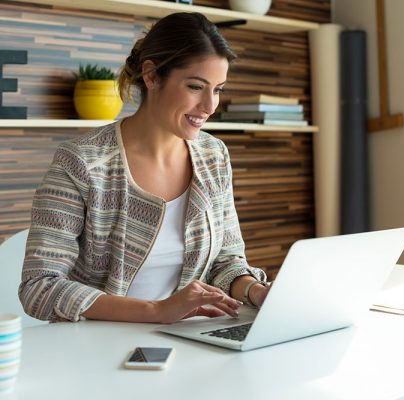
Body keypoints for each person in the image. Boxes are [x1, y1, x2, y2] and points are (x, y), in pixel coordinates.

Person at [19, 12, 270, 323]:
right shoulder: (81, 162)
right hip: (96, 347)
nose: (209, 106)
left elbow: (226, 262)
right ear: (151, 76)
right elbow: (39, 287)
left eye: (217, 89)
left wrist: (256, 291)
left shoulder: (213, 156)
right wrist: (158, 311)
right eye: (195, 86)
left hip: (188, 340)